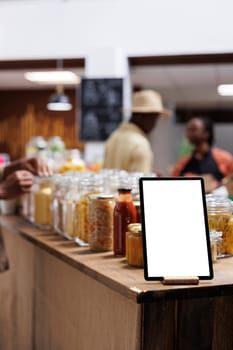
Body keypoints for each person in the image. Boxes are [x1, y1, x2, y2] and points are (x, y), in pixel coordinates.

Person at [103, 89, 169, 172]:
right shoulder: (140, 144)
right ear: (143, 116)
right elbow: (140, 182)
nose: (154, 125)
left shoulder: (113, 136)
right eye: (154, 119)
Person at [172, 116, 233, 191]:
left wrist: (218, 185)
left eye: (193, 129)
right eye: (188, 130)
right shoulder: (183, 162)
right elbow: (174, 183)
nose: (189, 133)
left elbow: (230, 183)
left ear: (206, 133)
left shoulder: (224, 158)